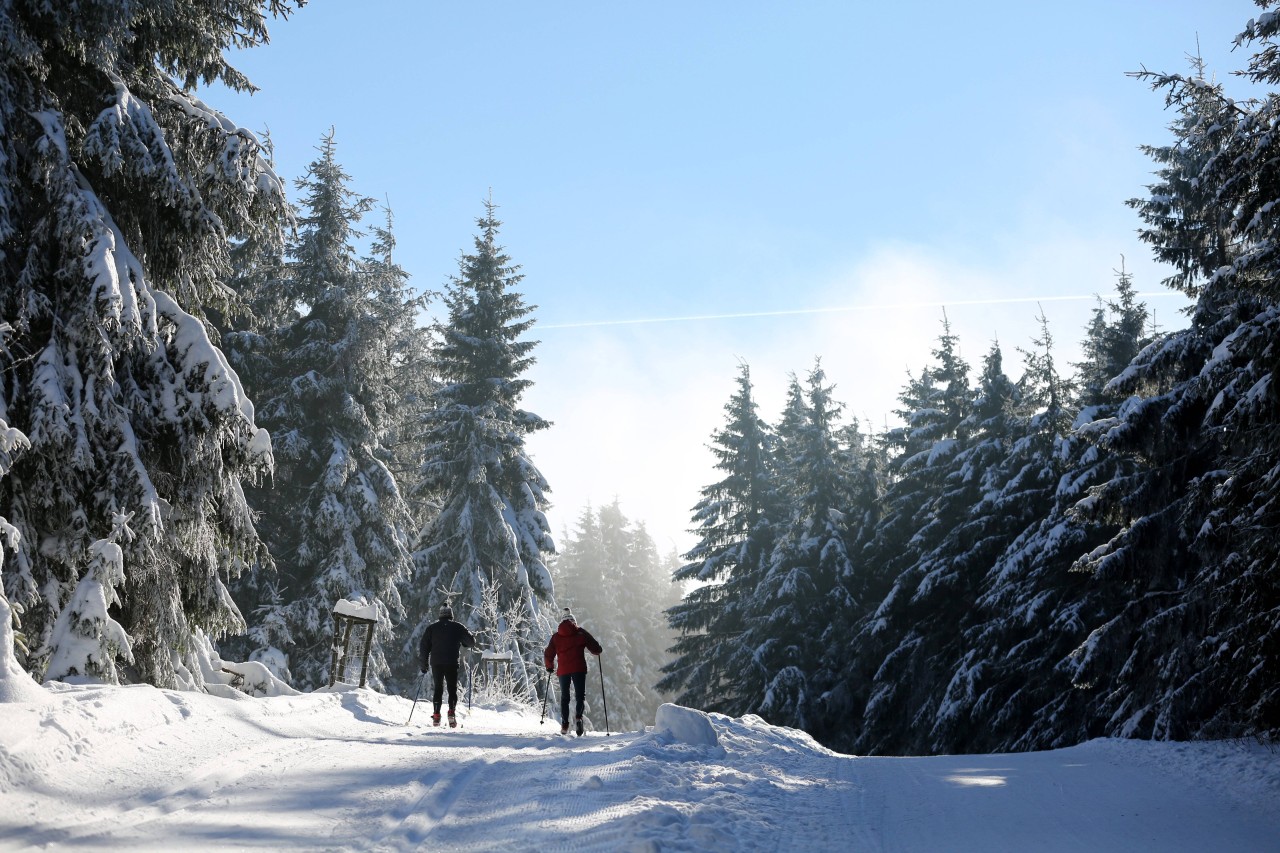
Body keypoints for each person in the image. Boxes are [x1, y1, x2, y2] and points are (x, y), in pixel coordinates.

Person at [543, 607, 602, 736]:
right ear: (573, 621)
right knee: (580, 695)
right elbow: (594, 646)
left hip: (563, 670)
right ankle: (579, 717)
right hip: (579, 668)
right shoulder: (580, 633)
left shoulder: (556, 637)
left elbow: (548, 653)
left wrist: (549, 666)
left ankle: (564, 724)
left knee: (565, 697)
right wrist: (597, 650)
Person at [418, 603, 475, 727]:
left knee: (438, 688)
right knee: (452, 689)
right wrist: (465, 642)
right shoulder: (458, 627)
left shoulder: (432, 628)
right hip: (451, 662)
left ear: (440, 615)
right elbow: (471, 642)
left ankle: (436, 715)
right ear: (451, 615)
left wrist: (424, 665)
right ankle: (451, 713)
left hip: (436, 663)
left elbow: (424, 647)